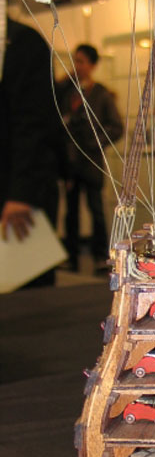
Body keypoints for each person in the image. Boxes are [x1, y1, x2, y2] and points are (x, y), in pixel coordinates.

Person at [0, 15, 63, 286]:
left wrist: (21, 193)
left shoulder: (21, 42)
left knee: (25, 292)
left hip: (16, 194)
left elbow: (35, 124)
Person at [58, 44, 123, 272]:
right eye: (75, 61)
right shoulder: (67, 92)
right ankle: (72, 256)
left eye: (82, 61)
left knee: (96, 209)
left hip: (92, 161)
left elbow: (116, 127)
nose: (77, 66)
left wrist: (96, 142)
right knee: (71, 211)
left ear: (92, 65)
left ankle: (100, 256)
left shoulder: (100, 94)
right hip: (71, 162)